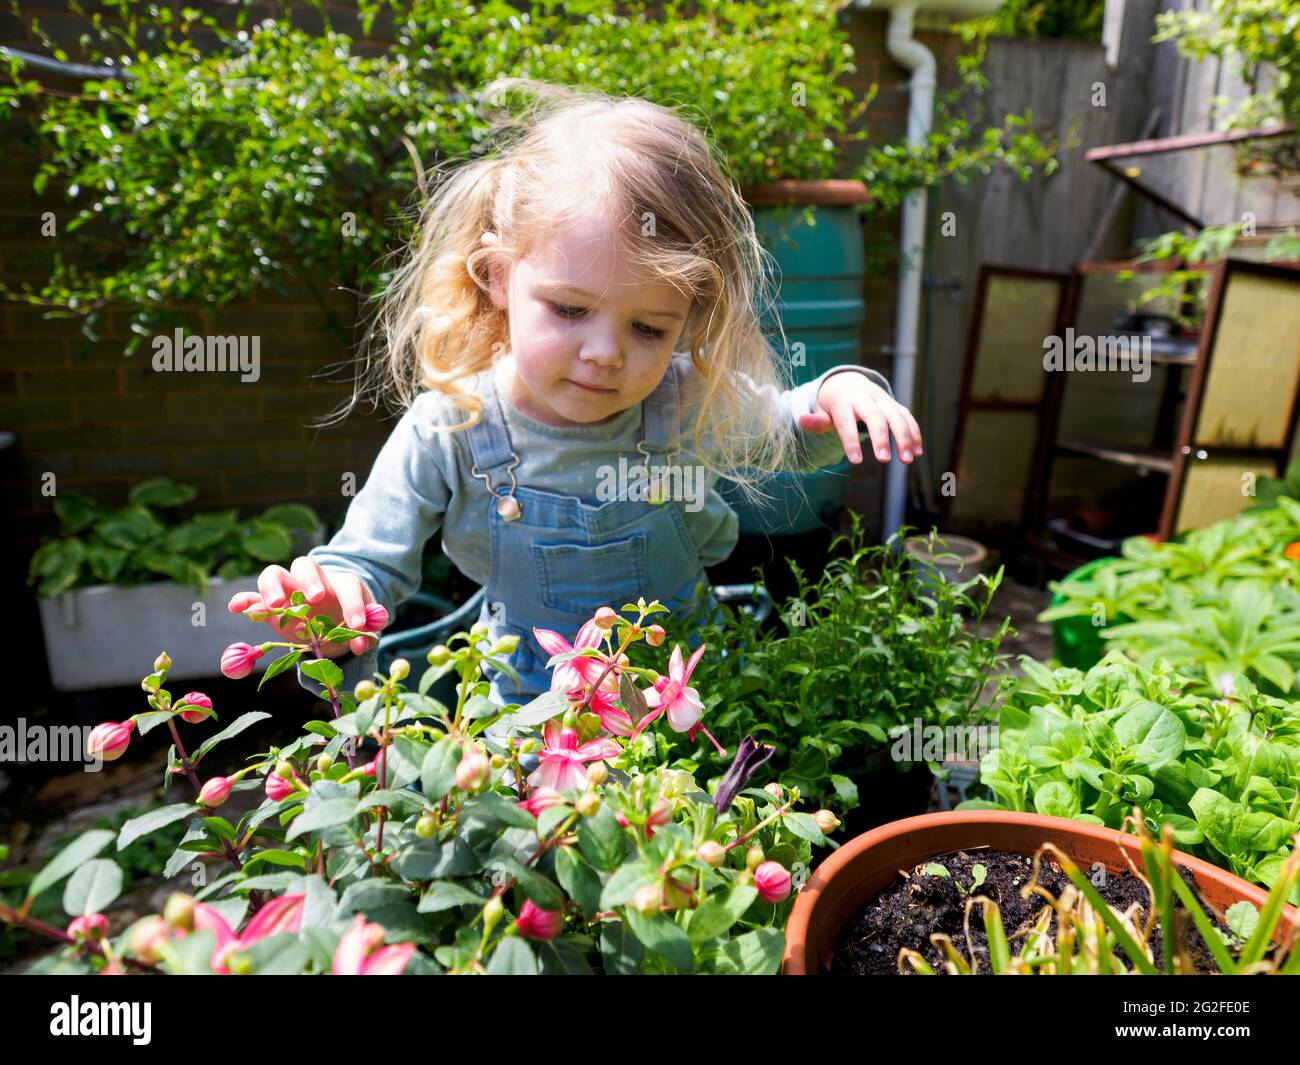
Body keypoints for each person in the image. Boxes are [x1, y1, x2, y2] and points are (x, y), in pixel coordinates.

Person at [234, 77, 922, 713]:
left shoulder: (683, 399)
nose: (605, 352)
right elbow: (366, 562)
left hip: (686, 698)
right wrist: (334, 600)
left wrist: (840, 392)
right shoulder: (452, 422)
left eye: (649, 327)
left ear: (690, 316)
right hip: (524, 710)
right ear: (499, 276)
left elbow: (788, 435)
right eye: (568, 310)